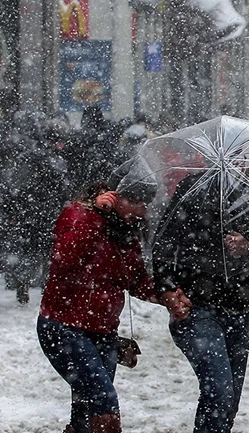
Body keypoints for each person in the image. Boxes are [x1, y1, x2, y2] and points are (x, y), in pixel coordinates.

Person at [151, 159, 249, 433]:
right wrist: (167, 289)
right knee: (219, 391)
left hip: (240, 309)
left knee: (229, 402)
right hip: (198, 307)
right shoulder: (195, 188)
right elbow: (164, 244)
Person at [38, 182, 190, 433]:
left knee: (86, 409)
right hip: (64, 327)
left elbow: (137, 280)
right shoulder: (79, 215)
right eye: (135, 201)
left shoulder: (126, 232)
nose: (141, 209)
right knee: (103, 403)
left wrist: (167, 296)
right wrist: (97, 217)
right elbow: (64, 258)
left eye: (145, 203)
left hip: (103, 333)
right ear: (114, 197)